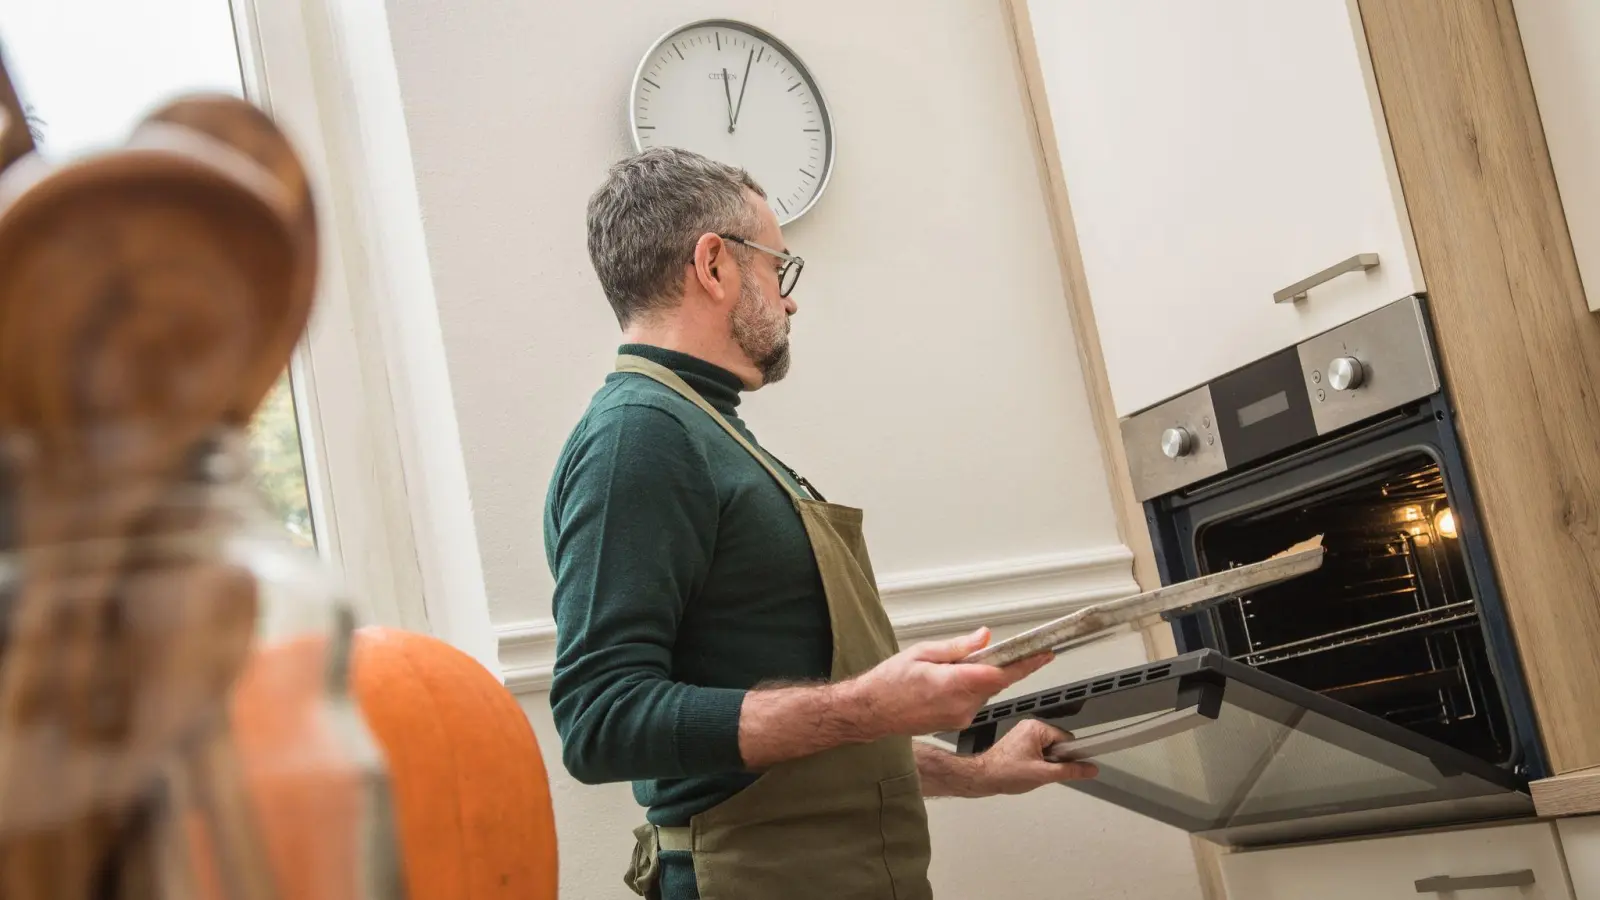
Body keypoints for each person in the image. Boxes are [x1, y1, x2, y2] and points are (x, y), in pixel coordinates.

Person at [545, 147, 1097, 900]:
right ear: (715, 265)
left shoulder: (711, 430)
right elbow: (599, 718)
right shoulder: (639, 436)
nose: (790, 299)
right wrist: (868, 704)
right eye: (779, 267)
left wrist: (977, 773)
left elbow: (817, 746)